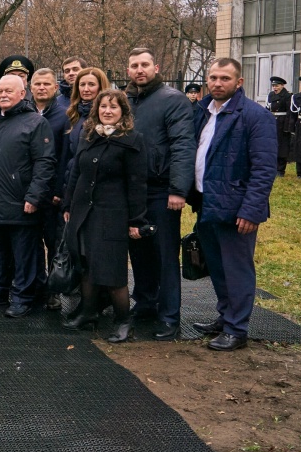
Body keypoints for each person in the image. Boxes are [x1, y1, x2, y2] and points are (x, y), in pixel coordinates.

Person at [189, 59, 277, 351]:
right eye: (213, 77)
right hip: (207, 202)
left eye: (225, 78)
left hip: (237, 208)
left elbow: (264, 169)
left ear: (239, 82)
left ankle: (237, 329)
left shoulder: (255, 116)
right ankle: (225, 316)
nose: (217, 83)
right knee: (216, 266)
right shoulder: (203, 111)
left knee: (237, 269)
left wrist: (251, 211)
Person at [61, 89, 148, 342]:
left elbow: (137, 184)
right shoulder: (88, 135)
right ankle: (88, 313)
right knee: (86, 264)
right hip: (84, 213)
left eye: (113, 107)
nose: (107, 111)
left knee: (111, 270)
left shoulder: (132, 140)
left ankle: (124, 321)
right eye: (103, 107)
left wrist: (137, 220)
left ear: (123, 111)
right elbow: (76, 173)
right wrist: (68, 205)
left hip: (112, 215)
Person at [124, 47, 196, 341]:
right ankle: (145, 303)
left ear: (156, 68)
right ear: (128, 70)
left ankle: (169, 316)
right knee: (139, 251)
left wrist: (178, 189)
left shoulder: (173, 100)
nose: (139, 70)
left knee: (165, 254)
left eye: (145, 64)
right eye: (134, 65)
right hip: (132, 190)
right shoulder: (125, 100)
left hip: (161, 188)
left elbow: (183, 145)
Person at [0, 74, 56, 317]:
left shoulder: (35, 123)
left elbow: (45, 162)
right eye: (0, 91)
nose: (3, 95)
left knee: (24, 254)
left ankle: (23, 297)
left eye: (9, 91)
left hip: (20, 202)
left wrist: (34, 196)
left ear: (22, 93)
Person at [30, 67, 70, 309]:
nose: (41, 87)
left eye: (46, 84)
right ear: (30, 87)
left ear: (55, 87)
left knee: (53, 243)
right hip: (28, 191)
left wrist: (59, 190)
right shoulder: (24, 113)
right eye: (37, 84)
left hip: (53, 192)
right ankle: (36, 286)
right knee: (31, 242)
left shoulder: (65, 116)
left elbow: (66, 156)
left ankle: (53, 291)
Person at [64, 67, 112, 182]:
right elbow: (66, 154)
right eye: (82, 85)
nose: (86, 89)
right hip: (73, 179)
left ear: (101, 87)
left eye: (91, 84)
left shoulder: (109, 116)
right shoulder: (73, 115)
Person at [266, 76, 291, 176]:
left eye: (277, 86)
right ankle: (272, 167)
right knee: (272, 145)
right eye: (273, 86)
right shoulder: (271, 95)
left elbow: (289, 112)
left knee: (282, 146)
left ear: (282, 86)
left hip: (282, 122)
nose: (275, 88)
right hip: (272, 122)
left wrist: (287, 126)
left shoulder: (287, 96)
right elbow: (267, 109)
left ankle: (280, 169)